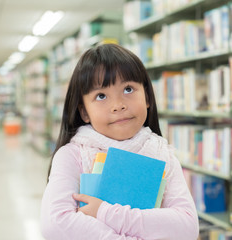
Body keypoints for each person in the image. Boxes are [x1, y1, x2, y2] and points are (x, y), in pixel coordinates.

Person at [40, 43, 199, 240]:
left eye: (128, 89)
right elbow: (56, 225)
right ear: (84, 112)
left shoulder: (162, 154)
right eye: (101, 96)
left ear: (148, 97)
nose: (118, 105)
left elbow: (187, 228)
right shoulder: (73, 156)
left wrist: (105, 213)